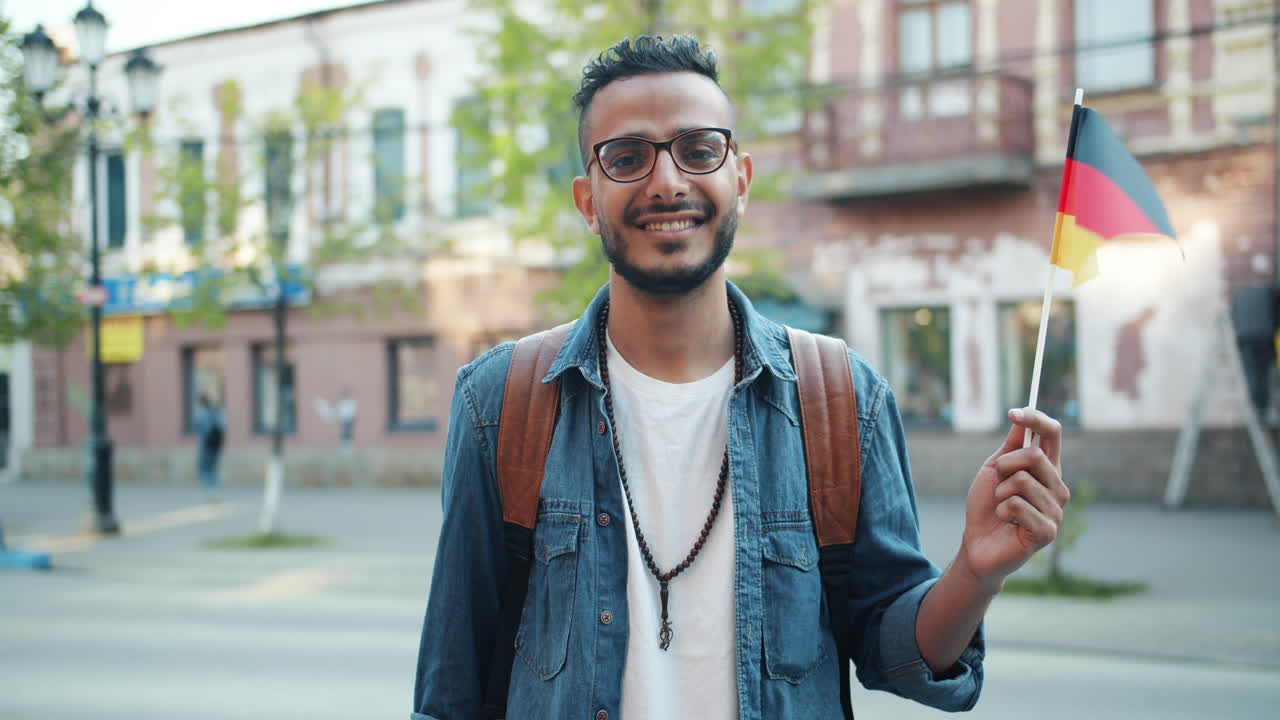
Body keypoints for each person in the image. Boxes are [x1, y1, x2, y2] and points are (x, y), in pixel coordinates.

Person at [412, 35, 1068, 720]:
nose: (667, 182)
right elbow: (449, 689)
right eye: (627, 157)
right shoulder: (503, 402)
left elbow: (895, 654)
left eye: (698, 150)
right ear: (587, 200)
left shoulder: (843, 400)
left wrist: (975, 569)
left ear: (741, 180)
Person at [193, 393, 225, 502]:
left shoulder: (201, 413)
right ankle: (214, 490)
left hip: (206, 445)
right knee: (213, 468)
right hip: (217, 445)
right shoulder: (216, 412)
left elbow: (197, 427)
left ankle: (211, 491)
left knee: (203, 468)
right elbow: (223, 427)